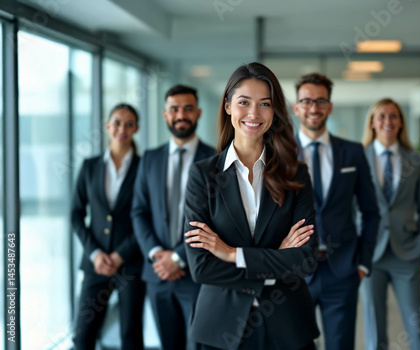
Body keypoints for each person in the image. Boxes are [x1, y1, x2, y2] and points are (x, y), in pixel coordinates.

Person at [184, 62, 319, 350]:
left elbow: (306, 260)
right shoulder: (203, 176)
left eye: (265, 104)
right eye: (244, 102)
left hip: (288, 325)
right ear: (228, 106)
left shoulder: (295, 175)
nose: (254, 114)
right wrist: (276, 260)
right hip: (221, 327)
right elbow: (201, 267)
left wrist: (233, 254)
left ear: (275, 111)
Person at [293, 73, 380, 350]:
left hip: (342, 271)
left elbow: (371, 212)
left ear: (330, 106)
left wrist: (363, 263)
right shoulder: (278, 154)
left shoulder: (352, 153)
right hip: (293, 272)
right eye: (306, 101)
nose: (313, 108)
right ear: (296, 108)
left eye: (320, 101)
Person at [131, 85, 215, 349]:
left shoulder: (215, 159)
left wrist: (178, 256)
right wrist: (157, 253)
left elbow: (216, 218)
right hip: (158, 274)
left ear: (198, 113)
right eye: (174, 109)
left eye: (188, 109)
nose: (181, 115)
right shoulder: (150, 159)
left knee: (198, 344)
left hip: (196, 273)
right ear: (165, 114)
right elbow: (139, 211)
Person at [359, 98, 420, 350]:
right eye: (381, 116)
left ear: (401, 122)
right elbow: (349, 210)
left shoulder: (416, 160)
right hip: (369, 255)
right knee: (374, 328)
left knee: (417, 325)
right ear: (372, 122)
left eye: (393, 116)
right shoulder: (358, 157)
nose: (387, 121)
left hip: (408, 253)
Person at [71, 103, 145, 350]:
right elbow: (76, 214)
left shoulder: (144, 167)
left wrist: (120, 254)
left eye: (128, 124)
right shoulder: (90, 166)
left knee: (130, 335)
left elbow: (147, 217)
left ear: (136, 128)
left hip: (131, 262)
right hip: (96, 262)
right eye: (116, 122)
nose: (121, 129)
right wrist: (95, 253)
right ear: (107, 126)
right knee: (83, 336)